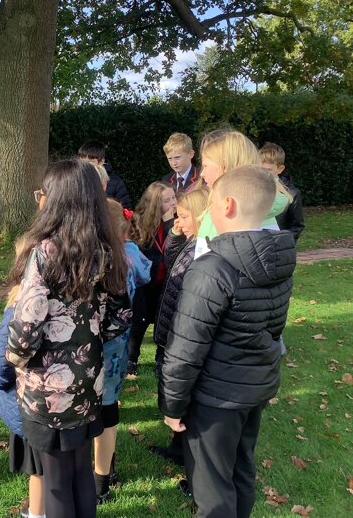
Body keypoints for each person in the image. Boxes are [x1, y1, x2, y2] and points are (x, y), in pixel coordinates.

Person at [160, 166, 295, 518]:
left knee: (213, 488)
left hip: (216, 398)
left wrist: (172, 404)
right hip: (253, 388)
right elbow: (273, 327)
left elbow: (186, 346)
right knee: (240, 469)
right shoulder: (279, 259)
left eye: (212, 204)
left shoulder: (211, 268)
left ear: (228, 205)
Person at [6, 159, 132, 518]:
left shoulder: (44, 253)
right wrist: (87, 339)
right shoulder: (106, 250)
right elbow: (121, 316)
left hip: (47, 390)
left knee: (57, 482)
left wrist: (14, 360)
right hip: (88, 381)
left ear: (57, 200)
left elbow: (25, 330)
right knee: (79, 473)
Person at [93, 200, 151, 503]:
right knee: (109, 407)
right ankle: (105, 474)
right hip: (118, 345)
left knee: (91, 409)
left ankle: (94, 474)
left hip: (94, 346)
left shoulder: (97, 259)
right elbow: (146, 275)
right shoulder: (130, 254)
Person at [148, 187, 209, 468]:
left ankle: (190, 456)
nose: (177, 222)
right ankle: (177, 447)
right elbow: (170, 261)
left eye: (183, 217)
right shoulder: (190, 241)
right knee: (172, 388)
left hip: (181, 332)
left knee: (184, 395)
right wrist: (175, 234)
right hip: (170, 325)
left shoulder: (204, 249)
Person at [0, 236, 45, 518]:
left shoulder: (19, 307)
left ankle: (38, 512)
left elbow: (1, 365)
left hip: (30, 403)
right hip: (62, 402)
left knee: (39, 468)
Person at [194, 128, 291, 258]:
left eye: (205, 166)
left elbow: (212, 266)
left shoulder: (227, 217)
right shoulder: (260, 210)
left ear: (224, 167)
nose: (202, 173)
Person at [125, 181, 176, 376]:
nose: (173, 203)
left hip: (167, 281)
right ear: (155, 203)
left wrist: (170, 224)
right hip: (145, 282)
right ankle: (131, 358)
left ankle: (161, 358)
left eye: (173, 198)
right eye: (167, 200)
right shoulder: (139, 222)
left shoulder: (177, 221)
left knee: (166, 320)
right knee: (139, 320)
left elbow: (176, 247)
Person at [259, 142, 305, 242]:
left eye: (269, 170)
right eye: (260, 169)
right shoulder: (251, 188)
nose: (264, 173)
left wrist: (283, 242)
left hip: (278, 243)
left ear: (280, 169)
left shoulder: (291, 194)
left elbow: (297, 225)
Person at [77, 139, 133, 209]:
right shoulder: (76, 180)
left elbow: (126, 209)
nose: (84, 166)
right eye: (82, 163)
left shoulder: (116, 182)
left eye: (89, 163)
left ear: (101, 161)